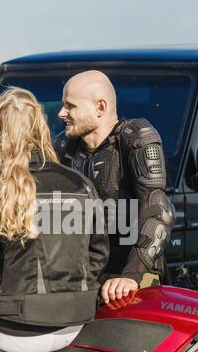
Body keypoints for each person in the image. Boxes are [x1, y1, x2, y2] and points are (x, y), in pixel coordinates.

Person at [0, 87, 109, 352]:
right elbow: (98, 254)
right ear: (41, 127)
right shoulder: (80, 183)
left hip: (14, 327)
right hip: (74, 323)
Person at [54, 70, 176, 304]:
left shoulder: (136, 139)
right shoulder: (63, 147)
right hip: (81, 278)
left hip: (132, 276)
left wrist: (131, 276)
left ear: (100, 107)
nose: (62, 113)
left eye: (70, 106)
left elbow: (159, 212)